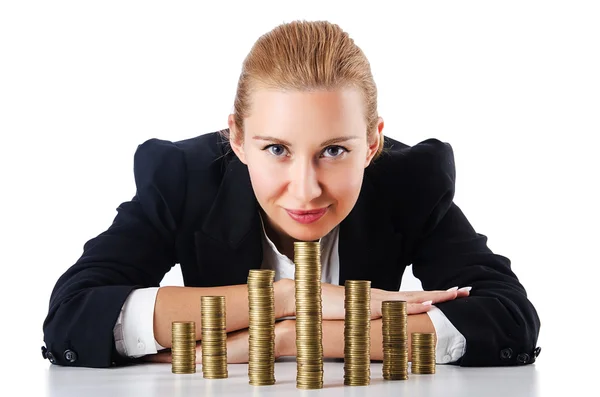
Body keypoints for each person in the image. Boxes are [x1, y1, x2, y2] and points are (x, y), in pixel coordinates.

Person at [41, 20, 541, 369]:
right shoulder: (182, 177)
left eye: (335, 151)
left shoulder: (410, 182)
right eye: (277, 148)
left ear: (372, 144)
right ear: (236, 139)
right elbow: (74, 315)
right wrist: (287, 298)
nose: (306, 189)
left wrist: (290, 338)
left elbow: (507, 319)